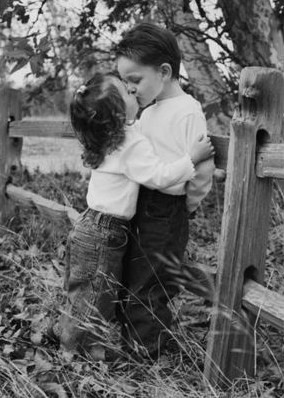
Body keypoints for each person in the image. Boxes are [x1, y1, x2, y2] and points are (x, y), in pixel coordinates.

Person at [56, 71, 214, 361]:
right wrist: (192, 158)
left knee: (81, 289)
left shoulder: (108, 137)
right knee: (96, 297)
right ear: (117, 113)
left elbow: (144, 146)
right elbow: (159, 176)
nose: (133, 90)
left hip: (89, 224)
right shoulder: (129, 141)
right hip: (106, 232)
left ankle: (66, 333)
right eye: (127, 93)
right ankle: (72, 353)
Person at [115, 22, 215, 357]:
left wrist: (188, 205)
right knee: (139, 272)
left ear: (164, 71)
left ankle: (147, 352)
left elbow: (202, 169)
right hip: (143, 205)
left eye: (135, 81)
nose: (131, 90)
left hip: (167, 211)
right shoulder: (149, 110)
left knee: (153, 281)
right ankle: (144, 338)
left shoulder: (187, 111)